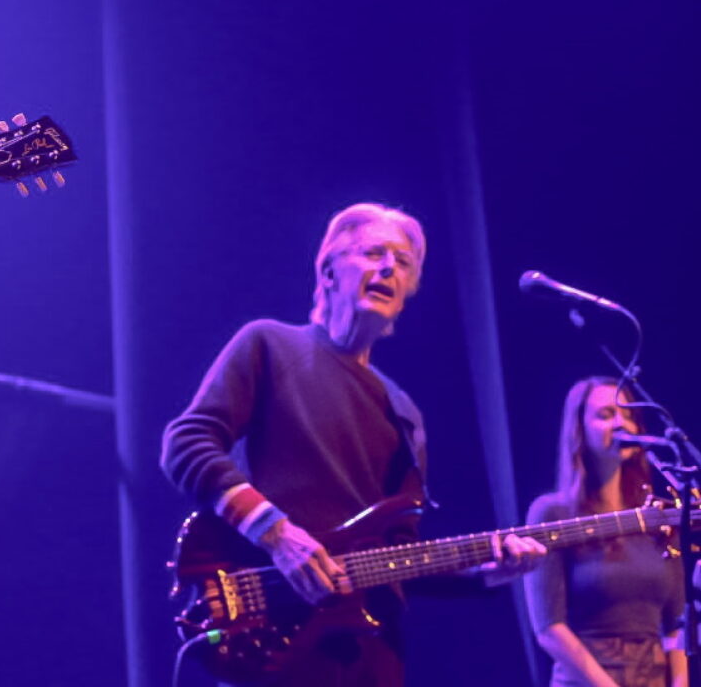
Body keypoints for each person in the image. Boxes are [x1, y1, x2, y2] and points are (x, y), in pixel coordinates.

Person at [159, 202, 546, 686]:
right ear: (328, 270)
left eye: (403, 263)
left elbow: (399, 556)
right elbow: (187, 442)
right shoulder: (269, 345)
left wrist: (487, 572)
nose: (389, 268)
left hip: (369, 655)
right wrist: (278, 535)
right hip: (271, 639)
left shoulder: (403, 412)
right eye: (372, 253)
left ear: (407, 293)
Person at [524, 377, 687, 687]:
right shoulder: (552, 513)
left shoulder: (657, 515)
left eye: (628, 415)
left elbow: (676, 623)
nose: (621, 423)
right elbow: (549, 627)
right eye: (606, 414)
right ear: (580, 429)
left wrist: (680, 683)